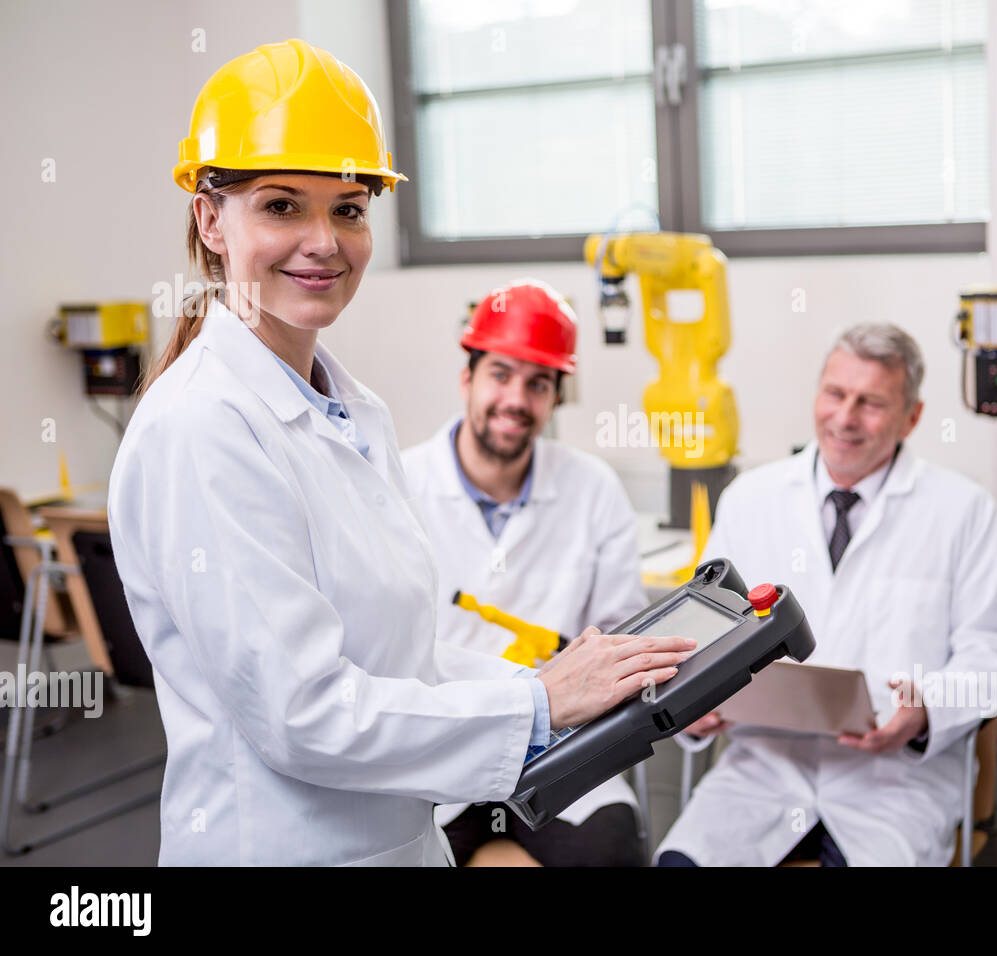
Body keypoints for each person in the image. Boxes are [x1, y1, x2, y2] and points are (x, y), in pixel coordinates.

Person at [106, 38, 692, 866]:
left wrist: (552, 688)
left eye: (349, 208)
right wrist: (538, 703)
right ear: (210, 216)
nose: (324, 241)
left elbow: (402, 660)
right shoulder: (201, 427)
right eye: (281, 205)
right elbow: (303, 715)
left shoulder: (354, 413)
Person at [655, 324, 997, 866]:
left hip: (894, 780)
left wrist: (925, 710)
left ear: (913, 417)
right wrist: (694, 702)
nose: (846, 417)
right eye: (835, 394)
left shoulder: (961, 510)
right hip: (762, 768)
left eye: (871, 402)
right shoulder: (750, 499)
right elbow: (699, 633)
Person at [401, 279, 646, 866]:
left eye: (538, 384)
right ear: (468, 378)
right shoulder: (397, 486)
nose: (516, 399)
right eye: (501, 375)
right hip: (434, 757)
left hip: (561, 752)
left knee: (610, 849)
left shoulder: (593, 490)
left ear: (556, 398)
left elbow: (623, 634)